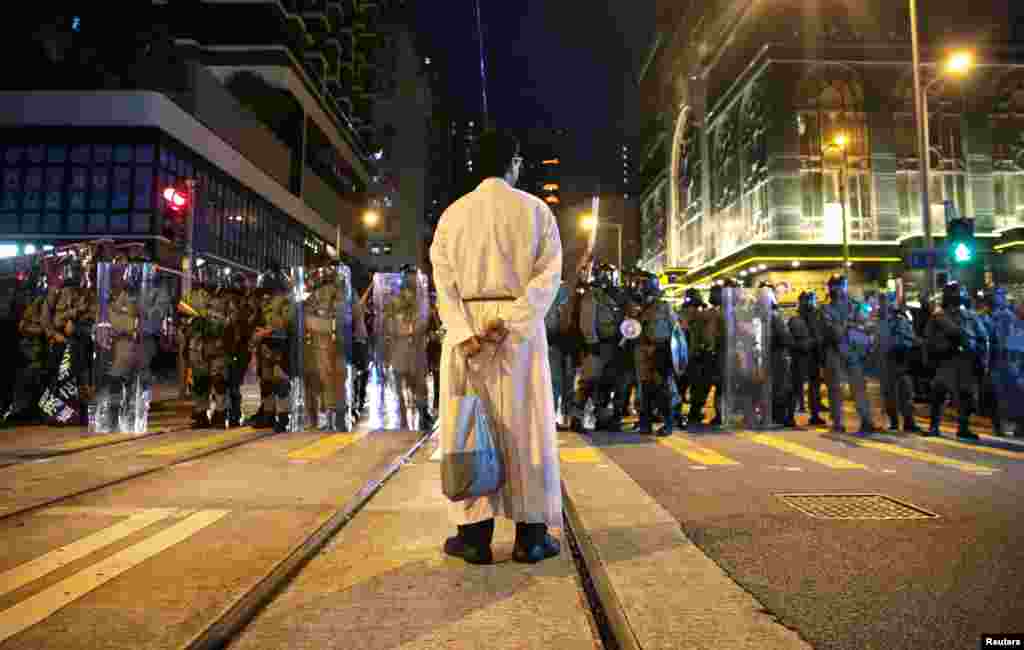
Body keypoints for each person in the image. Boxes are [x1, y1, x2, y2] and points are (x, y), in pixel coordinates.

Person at [430, 128, 563, 565]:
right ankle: (531, 537)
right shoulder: (536, 211)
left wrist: (463, 331)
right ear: (515, 162)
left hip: (467, 338)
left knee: (468, 429)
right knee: (526, 430)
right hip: (518, 341)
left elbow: (443, 282)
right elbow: (548, 277)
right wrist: (512, 322)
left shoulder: (452, 214)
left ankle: (473, 537)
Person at [924, 282, 988, 439]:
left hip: (965, 359)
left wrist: (982, 359)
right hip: (946, 359)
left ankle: (963, 427)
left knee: (966, 395)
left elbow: (982, 337)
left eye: (957, 293)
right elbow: (929, 338)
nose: (955, 296)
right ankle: (934, 426)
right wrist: (933, 355)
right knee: (939, 392)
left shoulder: (970, 316)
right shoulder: (938, 317)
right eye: (951, 293)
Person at [820, 275, 876, 435]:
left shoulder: (857, 306)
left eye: (840, 285)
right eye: (834, 286)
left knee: (858, 388)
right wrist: (851, 324)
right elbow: (833, 332)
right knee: (835, 389)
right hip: (835, 350)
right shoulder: (826, 308)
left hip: (852, 351)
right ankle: (838, 422)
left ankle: (866, 420)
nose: (837, 289)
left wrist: (847, 326)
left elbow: (867, 327)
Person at [877, 291, 920, 433]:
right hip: (887, 360)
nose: (885, 305)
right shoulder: (880, 322)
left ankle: (909, 421)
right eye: (883, 302)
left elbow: (911, 338)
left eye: (887, 302)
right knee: (890, 393)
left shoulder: (902, 320)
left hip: (901, 359)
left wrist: (906, 346)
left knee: (906, 392)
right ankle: (894, 421)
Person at [788, 291, 826, 426]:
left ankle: (806, 415)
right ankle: (792, 416)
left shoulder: (802, 318)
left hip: (807, 357)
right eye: (810, 300)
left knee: (806, 386)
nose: (811, 303)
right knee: (800, 386)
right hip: (803, 356)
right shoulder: (802, 319)